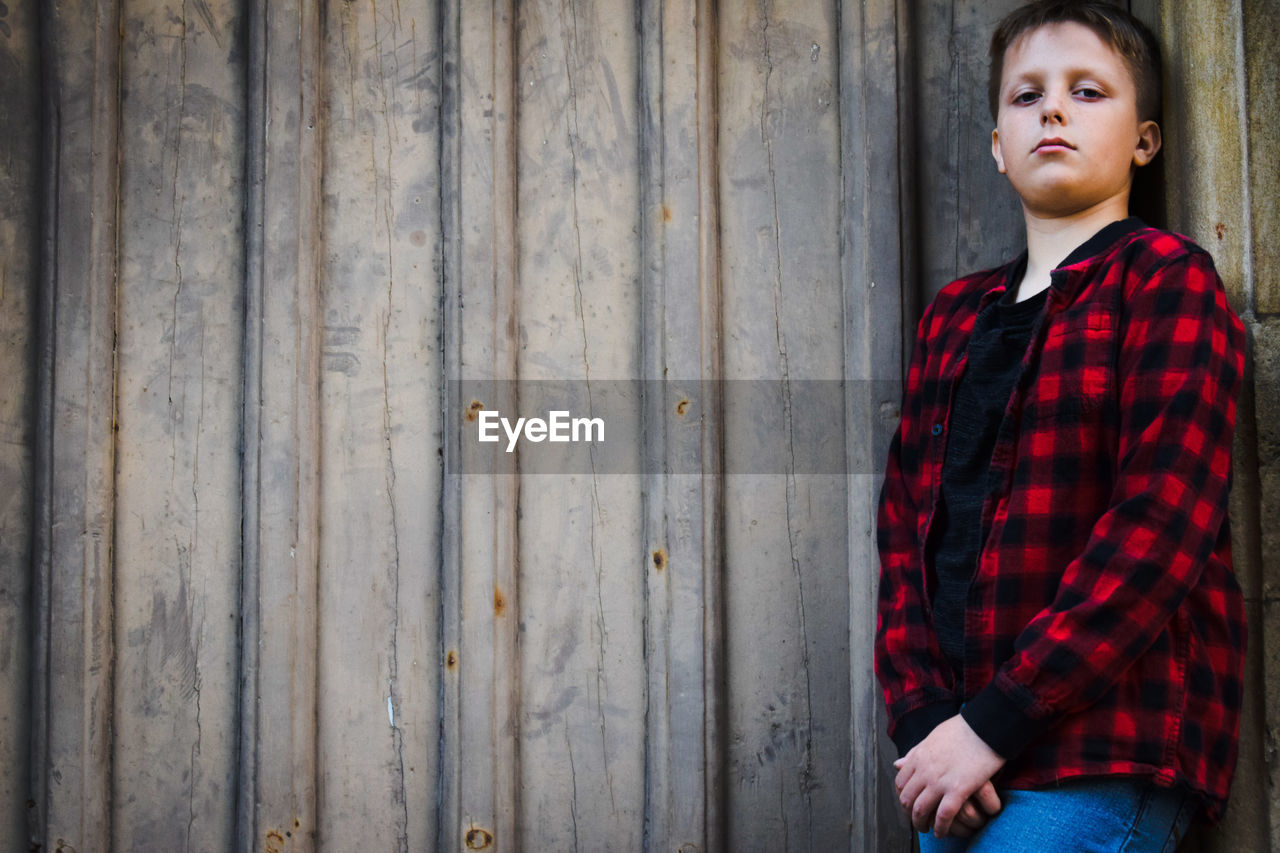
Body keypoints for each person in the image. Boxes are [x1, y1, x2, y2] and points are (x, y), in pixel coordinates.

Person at [873, 2, 1247, 850]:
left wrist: (994, 724)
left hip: (1101, 746)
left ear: (1144, 140)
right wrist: (927, 723)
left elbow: (1157, 529)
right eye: (1026, 96)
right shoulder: (954, 318)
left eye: (1087, 91)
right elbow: (903, 533)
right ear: (998, 144)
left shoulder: (1162, 281)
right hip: (956, 764)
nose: (1052, 110)